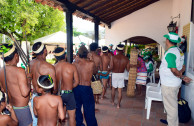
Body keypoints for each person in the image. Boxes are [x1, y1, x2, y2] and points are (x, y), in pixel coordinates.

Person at [159, 32, 192, 126]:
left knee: (171, 107)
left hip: (169, 85)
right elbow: (183, 66)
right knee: (171, 105)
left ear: (168, 41)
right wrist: (181, 75)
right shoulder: (179, 51)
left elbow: (173, 70)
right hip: (175, 83)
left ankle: (172, 123)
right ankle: (171, 121)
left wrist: (181, 76)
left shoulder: (170, 53)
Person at [0, 44, 32, 126]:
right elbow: (25, 93)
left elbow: (3, 90)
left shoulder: (1, 71)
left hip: (10, 107)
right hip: (22, 109)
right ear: (16, 56)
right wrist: (28, 79)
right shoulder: (19, 71)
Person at [30, 42, 57, 125]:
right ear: (45, 51)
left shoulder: (30, 63)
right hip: (46, 98)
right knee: (49, 122)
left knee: (36, 122)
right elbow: (54, 88)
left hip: (35, 97)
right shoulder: (49, 67)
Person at [54, 47, 79, 126]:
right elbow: (77, 82)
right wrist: (70, 87)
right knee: (72, 117)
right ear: (65, 56)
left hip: (58, 95)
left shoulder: (53, 68)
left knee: (59, 117)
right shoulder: (72, 66)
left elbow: (52, 84)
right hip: (69, 93)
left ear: (56, 57)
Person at [73, 45, 98, 126]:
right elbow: (95, 72)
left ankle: (79, 124)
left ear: (78, 54)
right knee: (89, 109)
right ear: (87, 54)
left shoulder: (74, 63)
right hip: (86, 88)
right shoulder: (90, 64)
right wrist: (91, 59)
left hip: (76, 88)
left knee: (77, 108)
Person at [109, 44, 130, 108]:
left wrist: (106, 70)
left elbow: (111, 67)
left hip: (114, 74)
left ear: (117, 50)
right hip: (121, 74)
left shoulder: (113, 57)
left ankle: (112, 102)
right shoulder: (126, 59)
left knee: (113, 89)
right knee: (120, 90)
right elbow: (128, 69)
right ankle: (118, 105)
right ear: (123, 50)